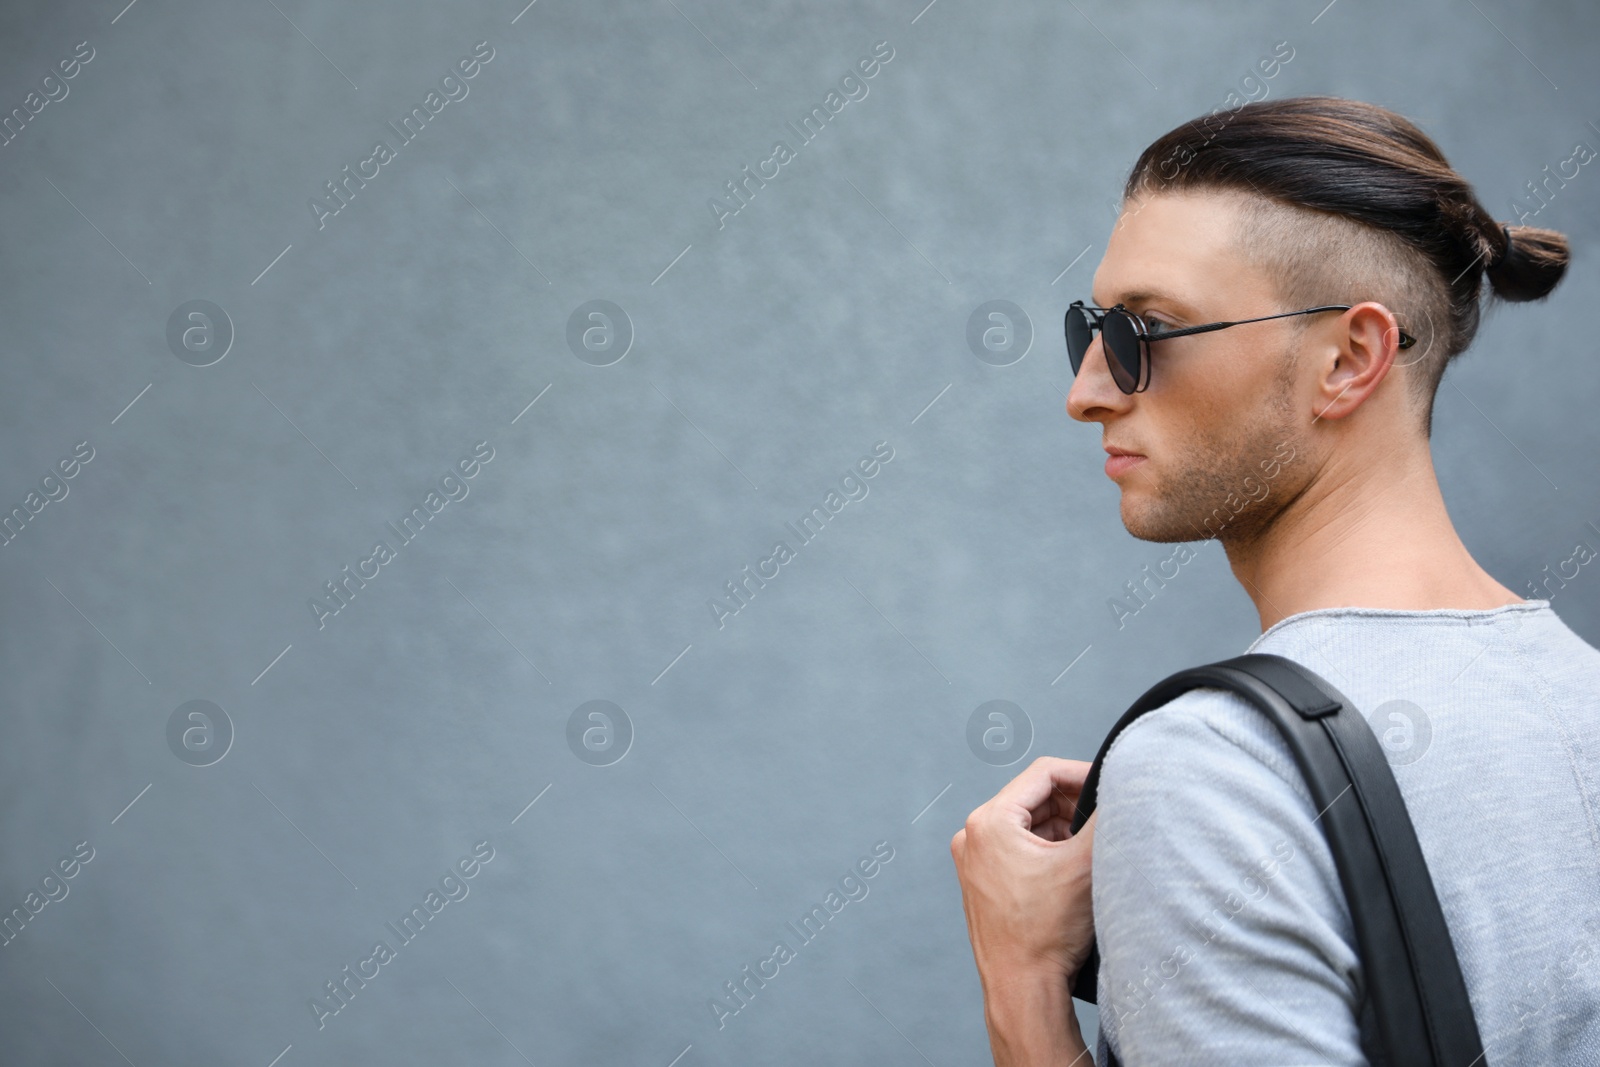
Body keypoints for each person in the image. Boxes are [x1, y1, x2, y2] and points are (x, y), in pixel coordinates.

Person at [951, 95, 1600, 1065]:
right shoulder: (1579, 692)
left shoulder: (1215, 768)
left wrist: (1021, 984)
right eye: (1089, 328)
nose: (1086, 391)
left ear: (1347, 358)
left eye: (1146, 331)